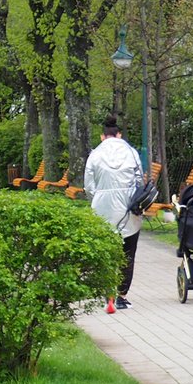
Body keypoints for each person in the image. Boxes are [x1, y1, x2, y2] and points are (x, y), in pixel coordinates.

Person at [83, 114, 143, 313]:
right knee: (128, 253)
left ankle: (107, 293)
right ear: (119, 135)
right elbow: (139, 182)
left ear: (103, 136)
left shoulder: (95, 154)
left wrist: (100, 195)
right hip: (129, 208)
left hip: (103, 208)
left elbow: (89, 185)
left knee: (106, 252)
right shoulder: (131, 152)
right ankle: (122, 296)